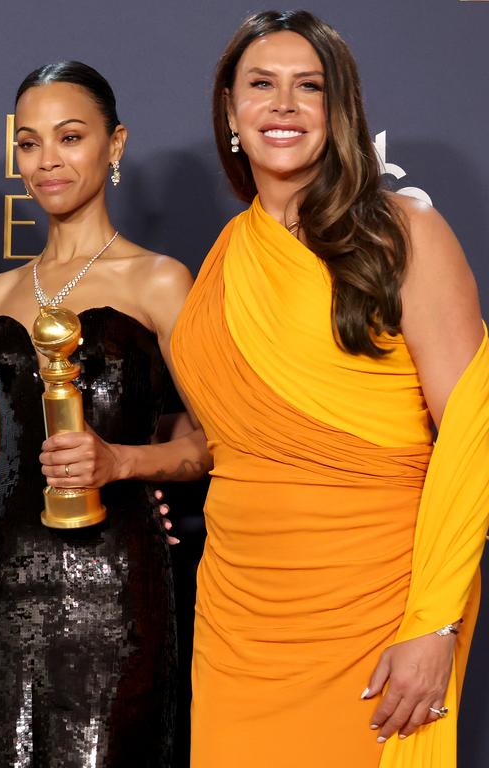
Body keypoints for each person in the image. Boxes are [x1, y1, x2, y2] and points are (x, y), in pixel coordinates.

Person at [170, 11, 489, 767]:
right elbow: (230, 435)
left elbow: (474, 432)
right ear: (230, 109)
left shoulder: (404, 235)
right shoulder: (225, 255)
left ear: (337, 111)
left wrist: (434, 622)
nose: (283, 104)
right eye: (261, 85)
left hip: (374, 608)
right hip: (237, 618)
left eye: (307, 87)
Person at [0, 61, 210, 768]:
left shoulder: (159, 281)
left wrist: (124, 461)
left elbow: (216, 442)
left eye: (70, 137)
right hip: (0, 579)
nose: (47, 162)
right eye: (29, 143)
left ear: (115, 143)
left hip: (118, 580)